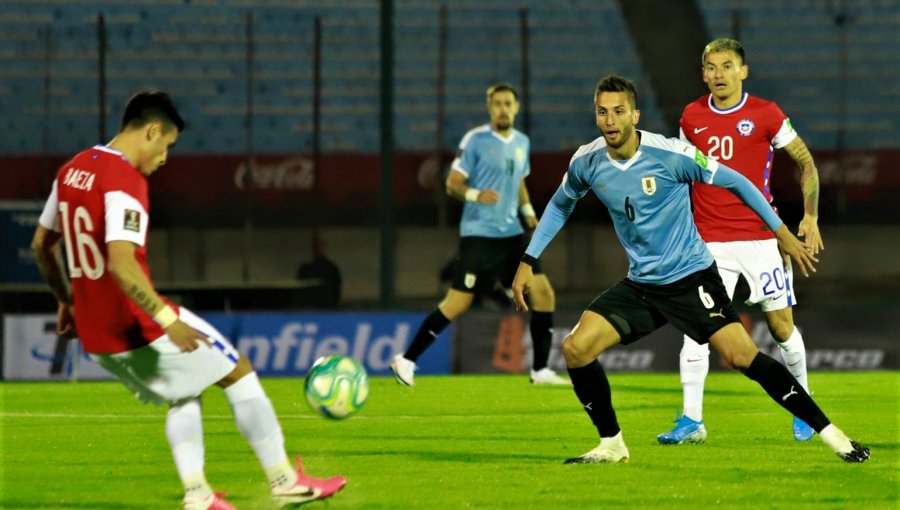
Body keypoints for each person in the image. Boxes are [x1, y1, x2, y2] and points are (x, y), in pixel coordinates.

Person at [511, 75, 869, 464]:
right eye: (602, 112)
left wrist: (779, 231)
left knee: (741, 357)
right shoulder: (587, 161)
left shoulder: (670, 155)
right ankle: (612, 443)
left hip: (691, 278)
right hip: (642, 284)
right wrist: (528, 260)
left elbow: (738, 182)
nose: (610, 120)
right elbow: (562, 203)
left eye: (618, 111)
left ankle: (835, 437)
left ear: (635, 114)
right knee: (576, 349)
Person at [30, 91, 347, 510]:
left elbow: (40, 245)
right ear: (152, 130)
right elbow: (122, 264)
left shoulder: (71, 171)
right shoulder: (125, 181)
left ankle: (198, 493)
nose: (166, 157)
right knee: (239, 370)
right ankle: (284, 480)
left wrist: (65, 301)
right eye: (168, 146)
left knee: (184, 391)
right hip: (137, 323)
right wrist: (165, 317)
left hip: (97, 335)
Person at [658, 38, 824, 445]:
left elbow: (805, 161)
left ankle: (804, 404)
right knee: (696, 330)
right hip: (708, 242)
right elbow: (680, 172)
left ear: (743, 71)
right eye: (711, 67)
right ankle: (692, 421)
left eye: (727, 66)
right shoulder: (691, 116)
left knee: (781, 328)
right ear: (703, 73)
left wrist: (811, 215)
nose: (719, 74)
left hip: (761, 238)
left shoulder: (766, 114)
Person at [390, 83, 568, 386]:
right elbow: (452, 184)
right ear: (489, 108)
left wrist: (527, 213)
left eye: (507, 103)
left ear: (516, 107)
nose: (502, 108)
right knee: (457, 303)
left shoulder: (522, 142)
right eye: (496, 103)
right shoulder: (474, 140)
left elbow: (519, 181)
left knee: (543, 293)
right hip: (479, 238)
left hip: (512, 237)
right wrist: (475, 194)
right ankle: (406, 360)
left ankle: (540, 370)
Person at [296, 229, 342, 308]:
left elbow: (336, 288)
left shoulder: (331, 268)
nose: (318, 249)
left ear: (325, 247)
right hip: (308, 308)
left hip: (327, 307)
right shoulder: (306, 268)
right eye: (316, 247)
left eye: (321, 246)